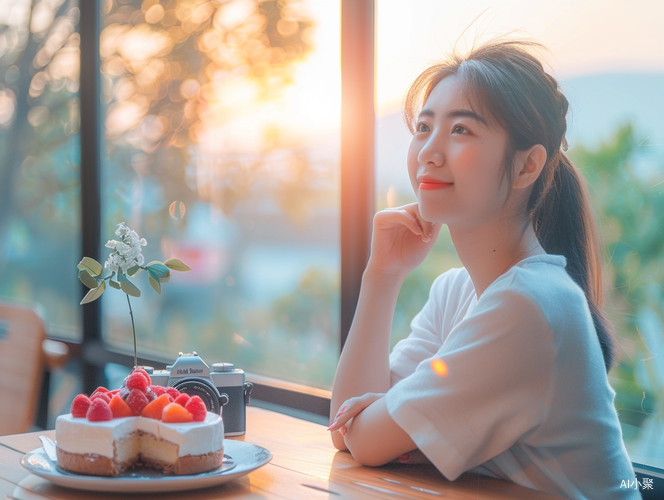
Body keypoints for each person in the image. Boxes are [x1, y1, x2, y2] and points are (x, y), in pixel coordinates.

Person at [327, 38, 641, 500]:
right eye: (424, 127)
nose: (429, 152)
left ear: (528, 165)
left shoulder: (530, 304)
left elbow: (368, 440)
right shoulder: (456, 291)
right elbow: (346, 428)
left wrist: (384, 416)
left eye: (461, 131)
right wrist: (382, 276)